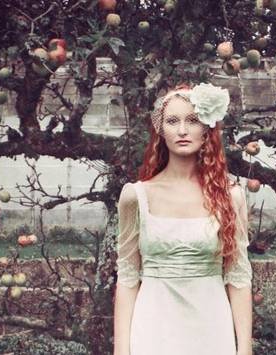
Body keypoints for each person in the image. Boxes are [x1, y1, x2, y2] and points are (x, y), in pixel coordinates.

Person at [113, 82, 253, 355]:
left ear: (207, 129)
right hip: (153, 328)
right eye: (172, 121)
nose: (182, 130)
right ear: (160, 131)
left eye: (192, 120)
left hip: (211, 329)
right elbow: (128, 278)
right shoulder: (135, 196)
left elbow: (238, 278)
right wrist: (121, 351)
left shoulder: (230, 196)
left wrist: (244, 349)